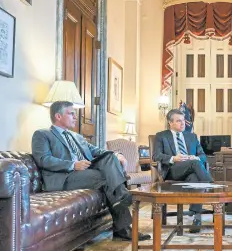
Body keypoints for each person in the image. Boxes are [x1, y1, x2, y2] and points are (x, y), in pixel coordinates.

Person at [31, 101, 151, 242]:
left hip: (85, 172)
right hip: (65, 177)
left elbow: (97, 151)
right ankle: (123, 213)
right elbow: (43, 159)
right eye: (71, 114)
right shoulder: (42, 134)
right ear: (58, 116)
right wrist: (73, 165)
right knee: (105, 177)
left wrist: (117, 155)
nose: (75, 117)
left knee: (110, 157)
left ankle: (122, 204)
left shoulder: (76, 136)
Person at [152, 108, 213, 233]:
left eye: (183, 120)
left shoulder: (192, 136)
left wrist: (194, 157)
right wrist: (174, 158)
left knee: (196, 178)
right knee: (195, 164)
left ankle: (196, 219)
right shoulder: (161, 136)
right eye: (179, 121)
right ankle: (213, 189)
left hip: (190, 171)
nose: (183, 123)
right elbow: (156, 156)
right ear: (171, 122)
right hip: (172, 171)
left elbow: (203, 156)